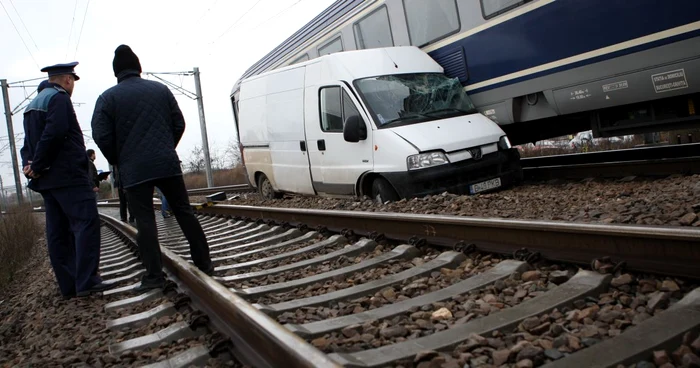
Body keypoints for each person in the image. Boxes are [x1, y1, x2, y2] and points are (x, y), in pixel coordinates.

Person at [91, 45, 214, 293]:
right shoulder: (161, 90)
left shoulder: (107, 98)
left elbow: (100, 135)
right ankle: (205, 264)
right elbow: (179, 122)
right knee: (184, 212)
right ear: (139, 67)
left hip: (134, 169)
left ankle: (154, 277)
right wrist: (166, 146)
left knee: (145, 221)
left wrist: (118, 158)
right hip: (167, 162)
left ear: (116, 72)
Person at [20, 62, 115, 299]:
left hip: (48, 181)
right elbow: (56, 132)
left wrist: (30, 165)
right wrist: (39, 163)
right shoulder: (59, 98)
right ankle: (87, 280)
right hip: (68, 175)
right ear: (67, 80)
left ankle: (69, 285)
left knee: (58, 232)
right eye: (72, 81)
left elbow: (27, 145)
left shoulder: (32, 105)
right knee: (86, 223)